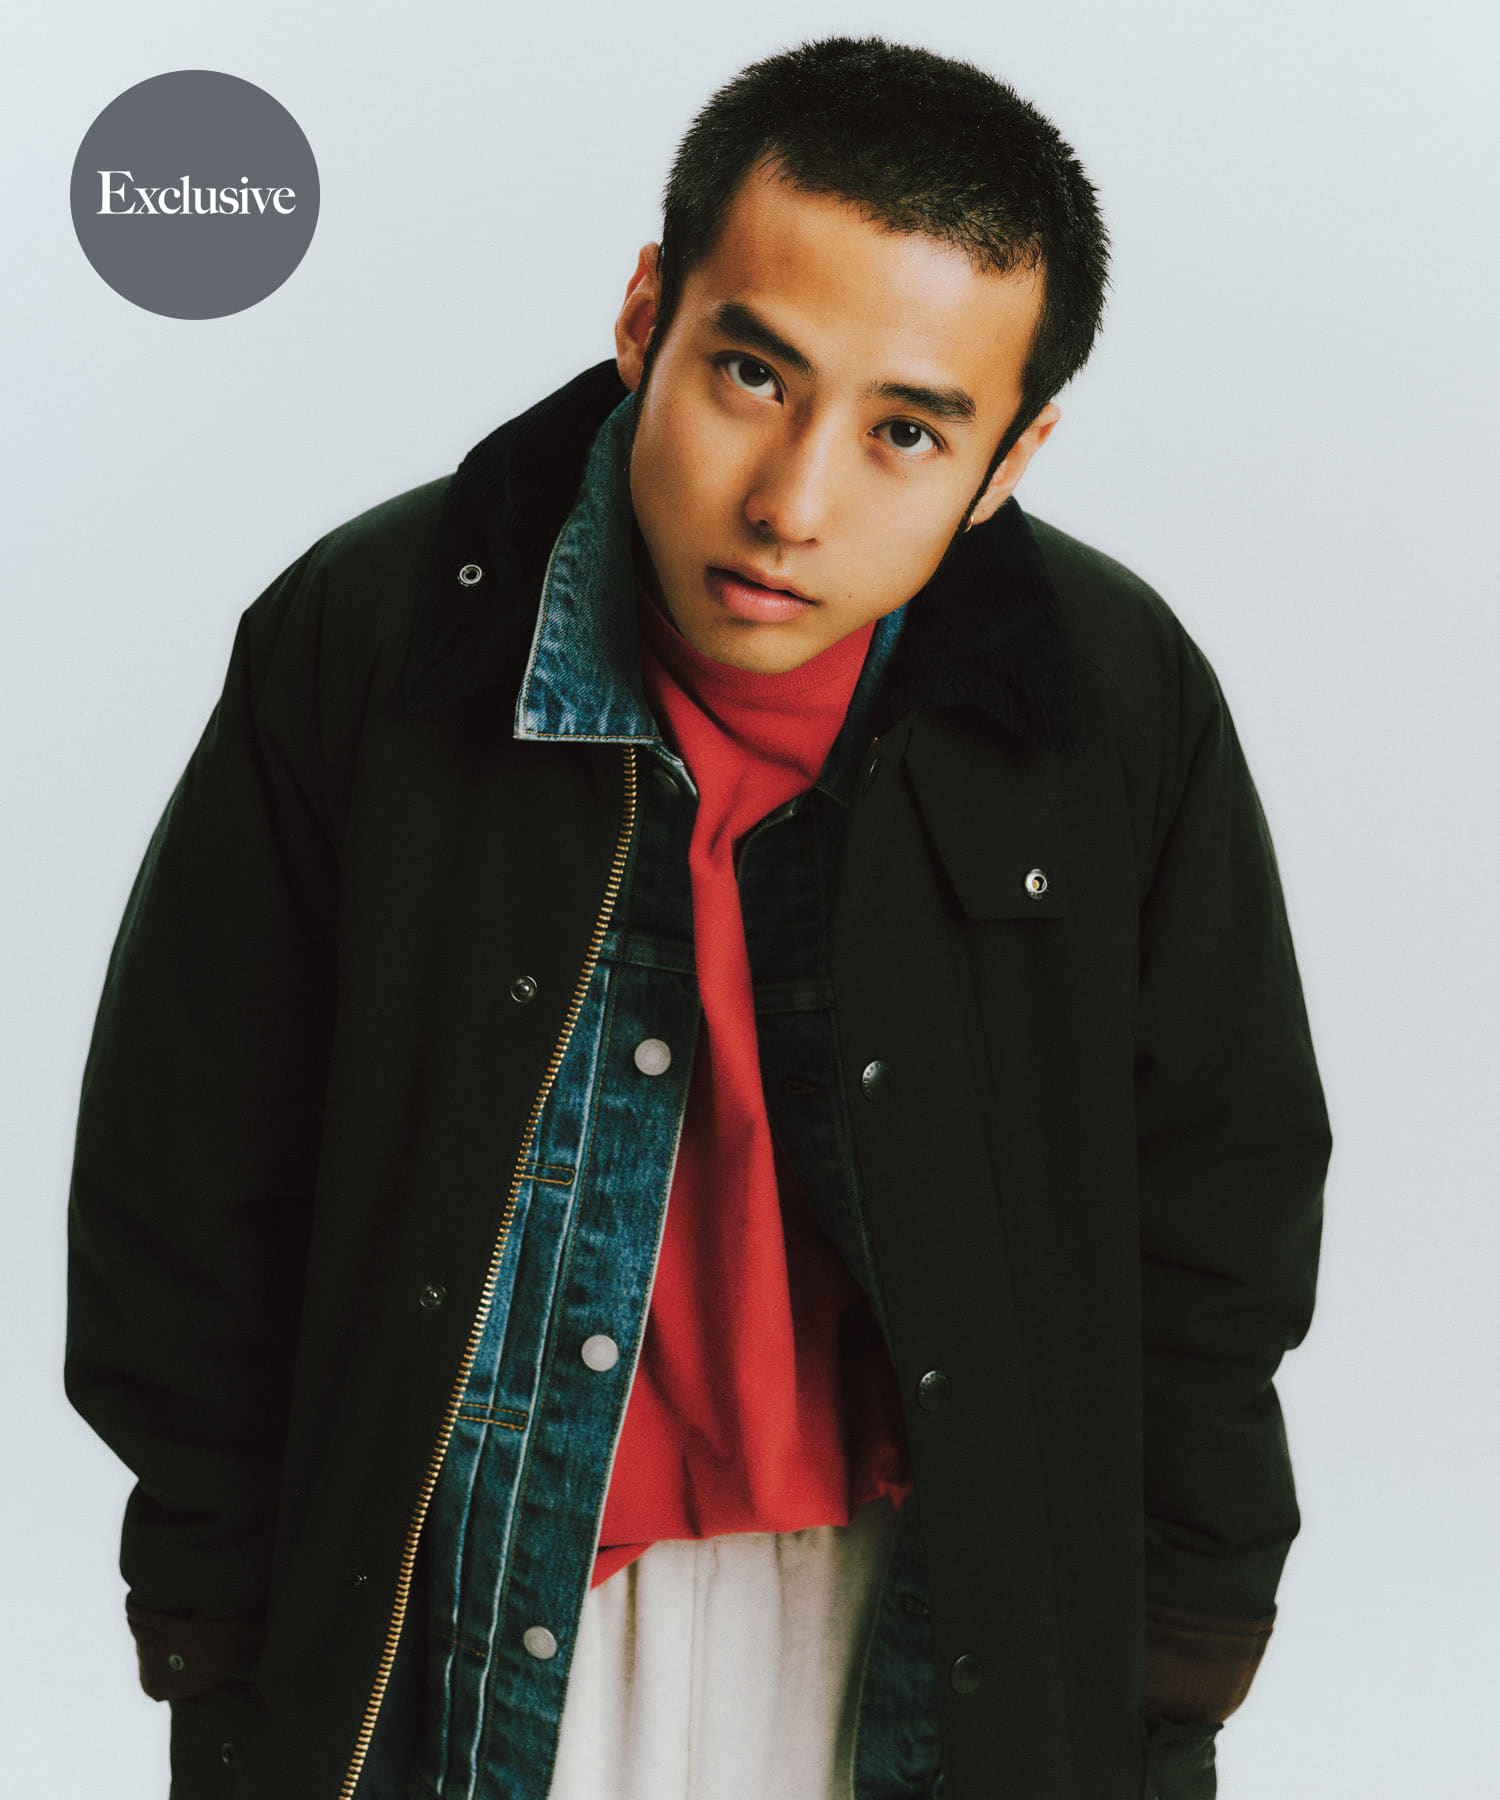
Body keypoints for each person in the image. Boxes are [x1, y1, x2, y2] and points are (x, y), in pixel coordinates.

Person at [64, 34, 1330, 1800]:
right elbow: (184, 1172)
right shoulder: (373, 644)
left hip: (932, 1614)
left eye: (907, 432)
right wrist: (215, 1614)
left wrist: (1188, 1623)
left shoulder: (1110, 704)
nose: (793, 504)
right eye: (752, 372)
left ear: (1010, 458)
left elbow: (1219, 1200)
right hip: (469, 1604)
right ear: (645, 314)